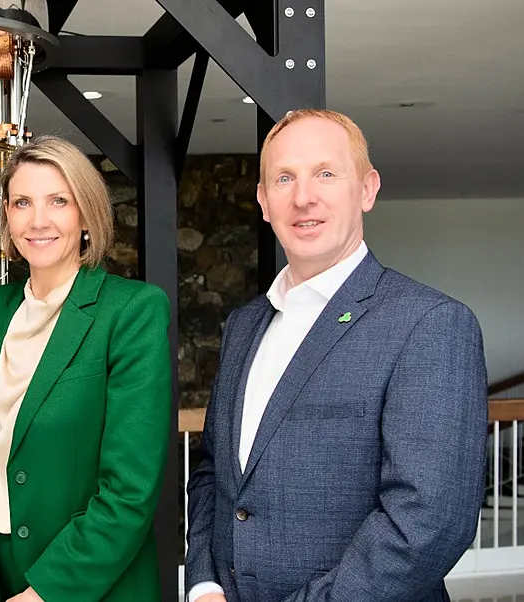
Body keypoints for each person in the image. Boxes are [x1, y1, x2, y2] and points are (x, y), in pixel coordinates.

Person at [184, 109, 488, 602]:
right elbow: (213, 475)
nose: (303, 197)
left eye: (326, 173)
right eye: (284, 178)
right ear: (263, 201)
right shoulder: (244, 327)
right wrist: (203, 584)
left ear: (367, 189)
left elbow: (427, 525)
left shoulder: (430, 324)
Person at [0, 135, 172, 602]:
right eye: (22, 202)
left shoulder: (131, 311)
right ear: (6, 216)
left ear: (86, 214)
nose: (38, 220)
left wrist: (43, 594)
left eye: (58, 201)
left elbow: (129, 493)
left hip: (89, 585)